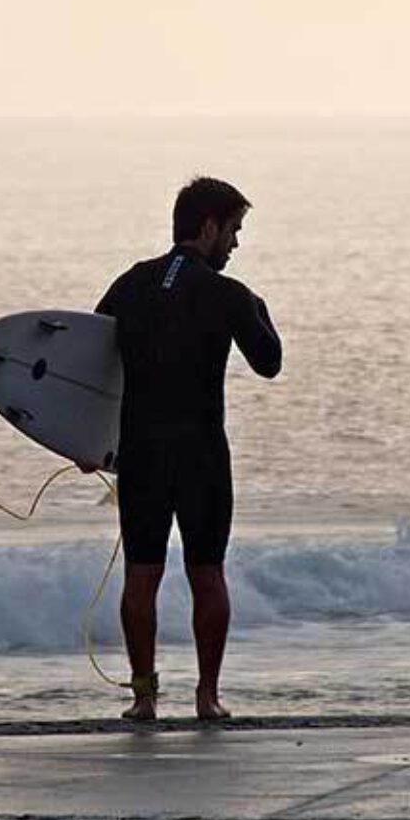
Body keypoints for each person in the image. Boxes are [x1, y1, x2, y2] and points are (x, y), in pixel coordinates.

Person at [96, 177, 282, 722]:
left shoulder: (131, 284)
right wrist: (258, 307)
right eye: (234, 231)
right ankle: (207, 696)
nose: (236, 245)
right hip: (201, 455)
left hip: (142, 454)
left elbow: (88, 362)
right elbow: (270, 361)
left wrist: (89, 442)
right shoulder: (229, 295)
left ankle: (144, 698)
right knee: (208, 573)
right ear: (208, 228)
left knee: (141, 575)